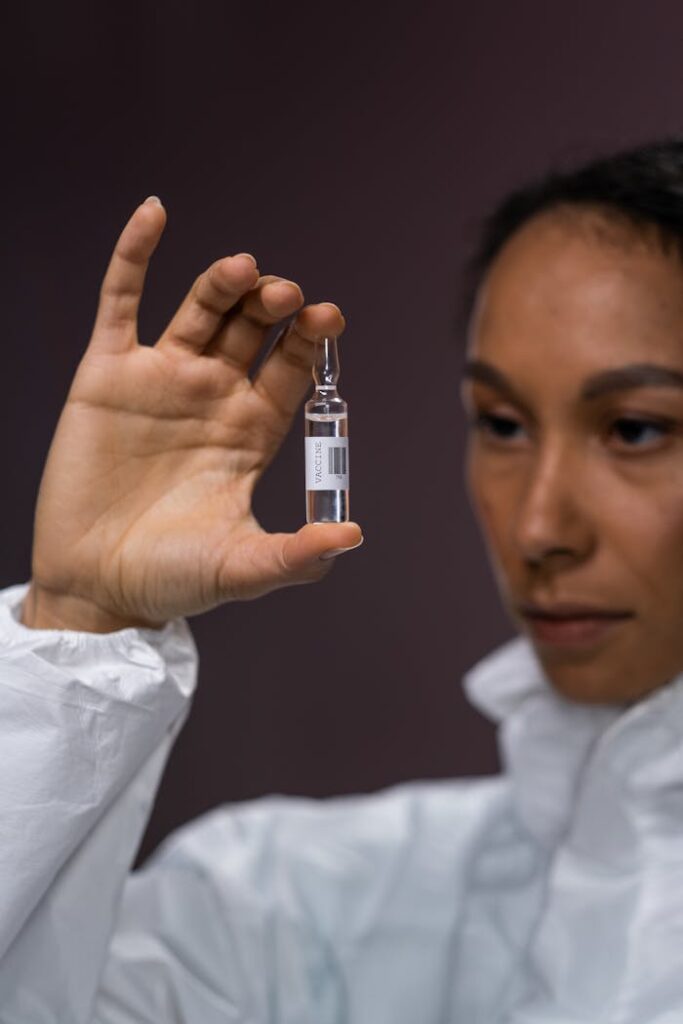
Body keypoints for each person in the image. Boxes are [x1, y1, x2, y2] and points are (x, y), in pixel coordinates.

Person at [2, 136, 683, 1023]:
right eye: (502, 423)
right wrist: (81, 623)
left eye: (634, 429)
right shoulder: (287, 907)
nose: (537, 528)